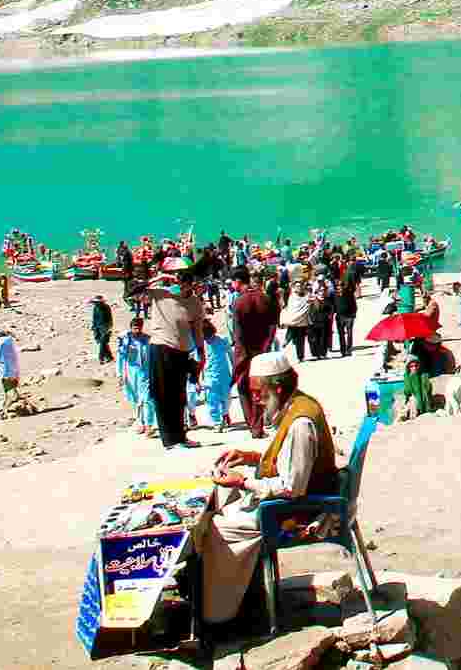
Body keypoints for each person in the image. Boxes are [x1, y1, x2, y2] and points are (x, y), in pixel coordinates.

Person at [198, 352, 341, 625]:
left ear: (276, 388)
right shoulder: (294, 405)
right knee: (222, 501)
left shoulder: (300, 422)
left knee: (216, 527)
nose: (254, 399)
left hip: (301, 511)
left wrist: (242, 481)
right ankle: (242, 592)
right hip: (301, 497)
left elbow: (292, 487)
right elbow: (287, 460)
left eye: (257, 392)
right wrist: (251, 457)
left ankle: (221, 613)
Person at [145, 268, 207, 449]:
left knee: (180, 396)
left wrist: (201, 353)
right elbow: (131, 289)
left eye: (185, 283)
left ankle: (181, 437)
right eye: (178, 282)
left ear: (191, 284)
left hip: (182, 351)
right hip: (160, 347)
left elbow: (197, 330)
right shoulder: (161, 294)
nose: (180, 286)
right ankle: (169, 440)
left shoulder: (195, 303)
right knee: (163, 395)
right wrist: (159, 277)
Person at [228, 271, 276, 439]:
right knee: (260, 388)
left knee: (244, 389)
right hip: (262, 349)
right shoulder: (265, 298)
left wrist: (239, 359)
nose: (231, 285)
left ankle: (254, 427)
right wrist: (267, 346)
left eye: (232, 282)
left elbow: (238, 334)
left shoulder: (239, 302)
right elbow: (272, 325)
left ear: (238, 281)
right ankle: (261, 424)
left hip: (246, 352)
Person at [198, 323, 235, 431]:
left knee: (227, 399)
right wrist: (198, 380)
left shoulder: (223, 340)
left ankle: (225, 413)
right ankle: (217, 422)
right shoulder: (201, 345)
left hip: (225, 377)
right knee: (212, 402)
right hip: (210, 379)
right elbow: (199, 363)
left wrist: (235, 371)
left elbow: (231, 356)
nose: (208, 339)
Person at [0, 330, 23, 418]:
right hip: (14, 371)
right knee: (13, 390)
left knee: (5, 393)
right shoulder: (10, 341)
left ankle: (2, 412)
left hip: (5, 372)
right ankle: (15, 407)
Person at [334, 267, 359, 359]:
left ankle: (348, 349)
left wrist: (353, 314)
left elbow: (354, 305)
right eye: (338, 287)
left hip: (349, 316)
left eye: (341, 286)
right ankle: (343, 350)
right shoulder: (335, 296)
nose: (339, 288)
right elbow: (333, 306)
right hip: (339, 317)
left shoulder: (349, 294)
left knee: (349, 333)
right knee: (340, 334)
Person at [91, 295, 115, 365]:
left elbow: (110, 319)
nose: (96, 303)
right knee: (103, 343)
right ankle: (110, 357)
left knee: (102, 343)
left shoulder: (107, 307)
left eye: (97, 302)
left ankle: (101, 358)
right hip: (98, 328)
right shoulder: (95, 308)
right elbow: (94, 318)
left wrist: (109, 328)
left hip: (106, 328)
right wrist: (94, 327)